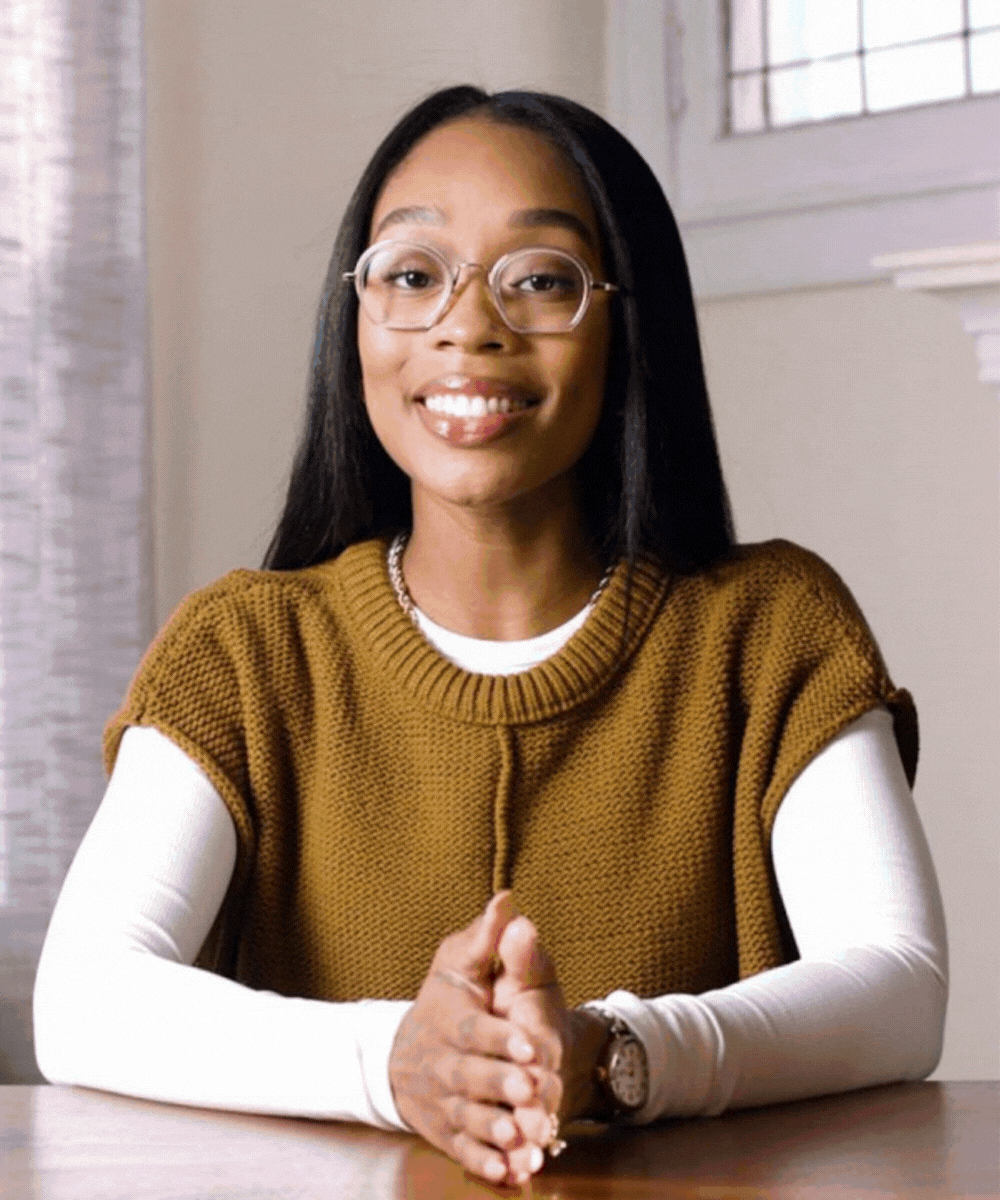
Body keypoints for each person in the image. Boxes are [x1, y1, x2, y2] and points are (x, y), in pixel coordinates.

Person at [33, 86, 947, 1188]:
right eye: (413, 275)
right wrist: (394, 1065)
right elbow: (83, 999)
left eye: (541, 280)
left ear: (627, 319)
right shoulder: (242, 652)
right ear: (355, 318)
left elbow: (897, 985)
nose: (469, 325)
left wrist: (610, 1056)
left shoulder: (770, 632)